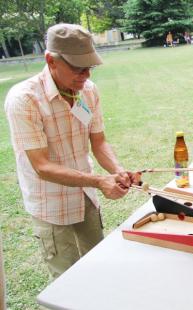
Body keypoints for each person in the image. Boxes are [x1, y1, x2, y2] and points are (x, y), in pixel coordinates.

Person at [4, 24, 133, 279]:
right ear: (50, 60)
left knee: (98, 267)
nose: (85, 75)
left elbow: (99, 142)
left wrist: (118, 172)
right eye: (77, 67)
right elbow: (41, 166)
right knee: (67, 278)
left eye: (90, 67)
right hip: (50, 204)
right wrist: (99, 181)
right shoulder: (24, 99)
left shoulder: (89, 90)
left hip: (85, 196)